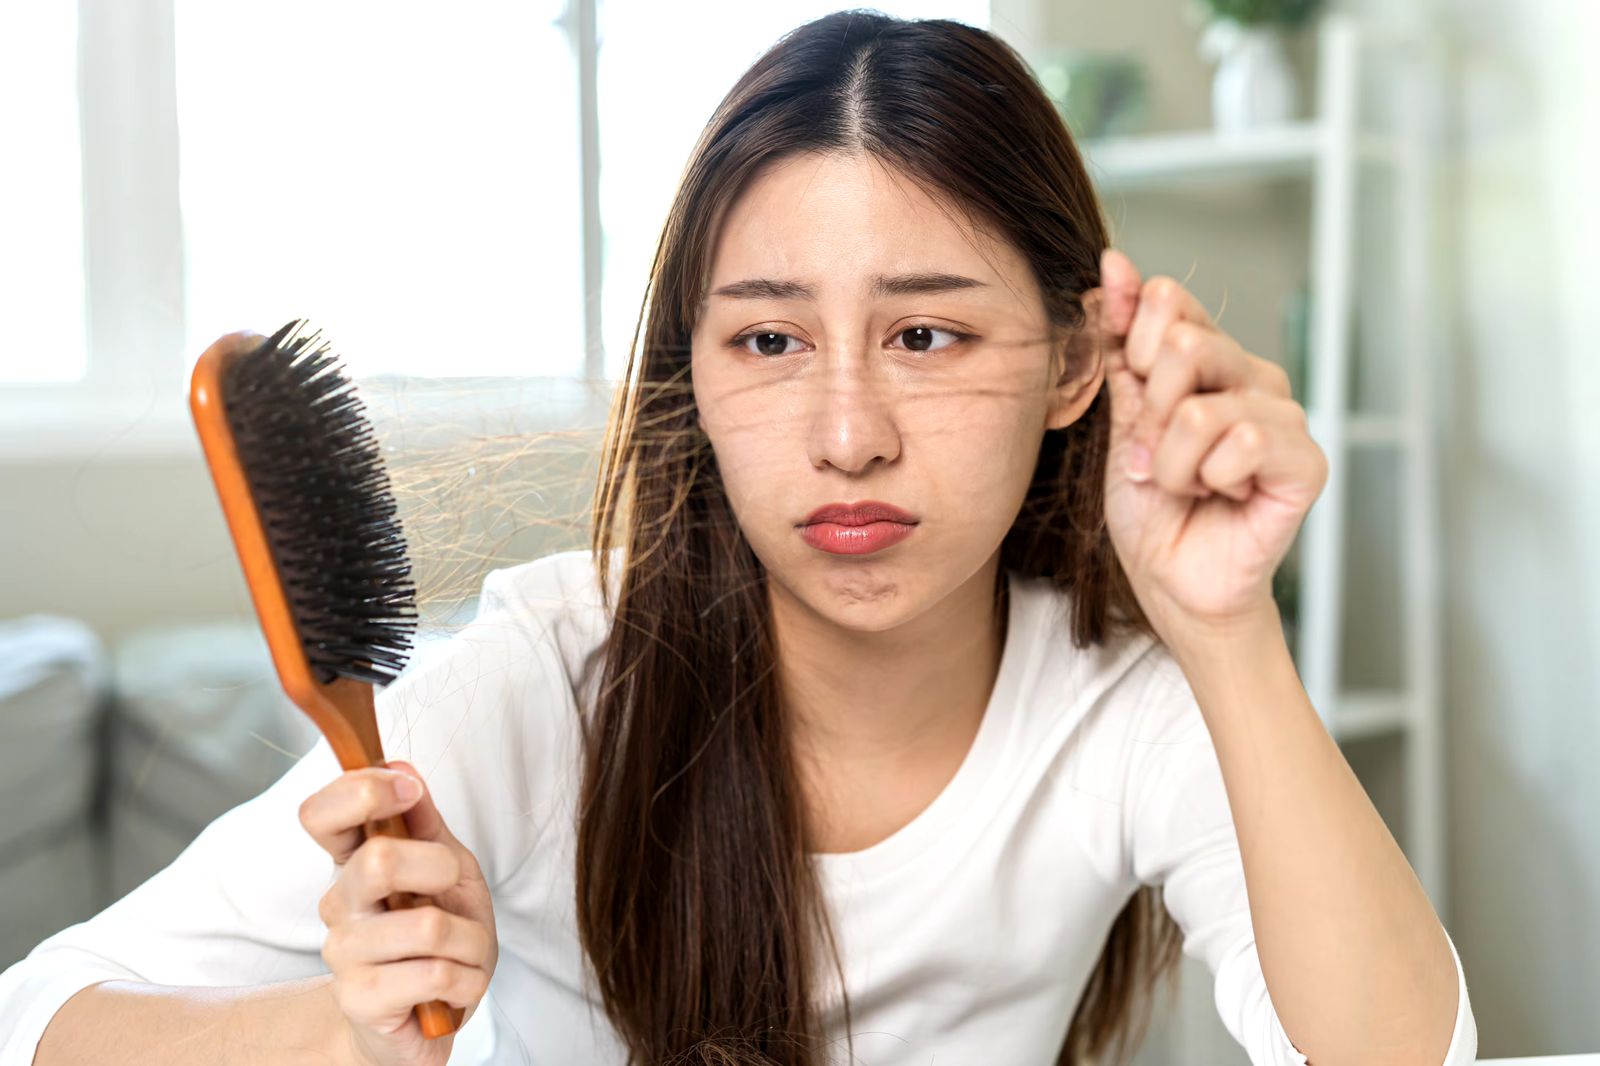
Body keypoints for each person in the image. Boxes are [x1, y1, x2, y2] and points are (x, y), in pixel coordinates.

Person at [1, 9, 1475, 1066]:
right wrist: (336, 1029)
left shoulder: (1122, 700)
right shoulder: (544, 683)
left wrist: (1230, 629)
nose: (848, 433)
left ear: (1076, 361)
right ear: (689, 375)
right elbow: (44, 1017)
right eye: (768, 338)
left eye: (926, 331)